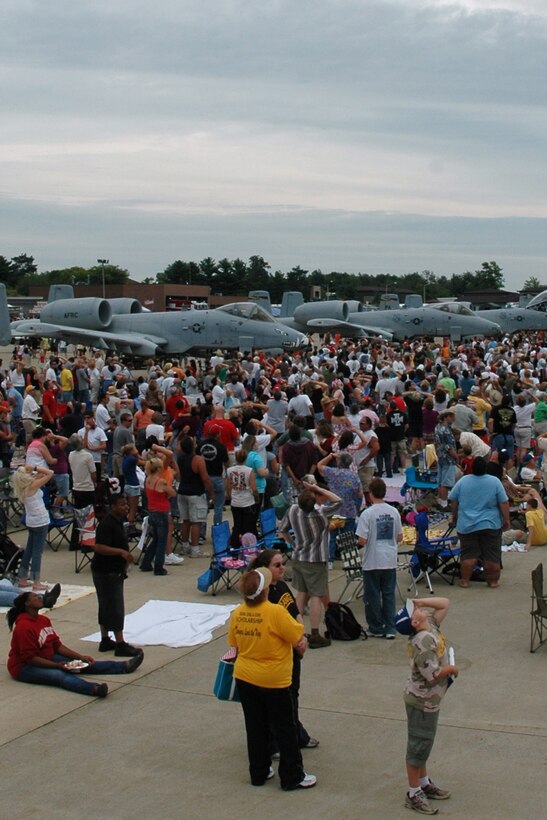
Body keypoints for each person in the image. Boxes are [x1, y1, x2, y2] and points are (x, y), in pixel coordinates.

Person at [227, 568, 316, 791]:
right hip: (274, 679)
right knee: (285, 727)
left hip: (245, 676)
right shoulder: (275, 612)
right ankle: (292, 775)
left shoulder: (238, 613)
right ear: (265, 591)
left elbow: (234, 644)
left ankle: (258, 771)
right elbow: (297, 636)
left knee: (255, 726)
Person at [7, 591, 143, 698]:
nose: (40, 597)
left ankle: (124, 666)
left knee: (80, 664)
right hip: (24, 667)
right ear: (27, 604)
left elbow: (57, 646)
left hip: (46, 657)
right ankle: (94, 689)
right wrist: (57, 665)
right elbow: (30, 658)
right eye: (35, 597)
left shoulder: (43, 619)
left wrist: (80, 657)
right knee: (60, 676)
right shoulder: (23, 627)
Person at [247, 549, 319, 752]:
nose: (282, 568)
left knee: (292, 694)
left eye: (282, 564)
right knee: (278, 700)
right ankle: (276, 741)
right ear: (265, 569)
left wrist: (301, 637)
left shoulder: (282, 586)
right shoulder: (261, 596)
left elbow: (295, 612)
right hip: (278, 654)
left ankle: (296, 733)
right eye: (276, 565)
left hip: (293, 650)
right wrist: (296, 640)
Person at [395, 597, 458, 815]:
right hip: (422, 701)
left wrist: (419, 600)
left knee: (424, 744)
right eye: (415, 611)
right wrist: (450, 669)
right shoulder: (422, 641)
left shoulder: (429, 623)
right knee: (417, 747)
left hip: (430, 700)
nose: (420, 608)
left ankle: (423, 782)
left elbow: (444, 603)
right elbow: (432, 675)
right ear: (414, 623)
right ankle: (414, 793)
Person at [279, 481, 342, 649]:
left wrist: (293, 544)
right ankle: (315, 633)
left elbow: (283, 530)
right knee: (315, 595)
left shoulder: (292, 510)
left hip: (299, 556)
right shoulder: (320, 514)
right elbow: (338, 501)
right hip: (316, 559)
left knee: (301, 593)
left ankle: (295, 630)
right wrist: (318, 488)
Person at [91, 494, 142, 656]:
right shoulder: (106, 524)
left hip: (112, 570)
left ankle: (105, 640)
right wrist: (121, 552)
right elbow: (98, 547)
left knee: (105, 605)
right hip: (106, 571)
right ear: (112, 506)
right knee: (115, 606)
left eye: (126, 504)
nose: (126, 507)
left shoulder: (118, 521)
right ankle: (120, 643)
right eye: (122, 505)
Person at [448, 456, 509, 588]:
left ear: (472, 468)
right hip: (491, 524)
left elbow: (453, 499)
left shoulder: (463, 481)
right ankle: (493, 582)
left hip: (467, 524)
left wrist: (455, 517)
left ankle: (465, 580)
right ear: (485, 468)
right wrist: (506, 519)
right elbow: (503, 502)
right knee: (492, 556)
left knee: (468, 555)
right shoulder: (494, 481)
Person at [356, 477, 402, 639]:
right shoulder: (394, 511)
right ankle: (390, 627)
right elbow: (400, 536)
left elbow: (362, 540)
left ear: (370, 495)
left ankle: (375, 627)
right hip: (389, 558)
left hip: (373, 560)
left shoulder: (367, 514)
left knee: (372, 595)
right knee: (388, 594)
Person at [13, 464, 54, 591]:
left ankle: (22, 577)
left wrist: (33, 472)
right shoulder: (32, 486)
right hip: (40, 521)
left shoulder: (23, 487)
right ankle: (36, 580)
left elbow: (42, 475)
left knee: (30, 549)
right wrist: (35, 467)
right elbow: (50, 473)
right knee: (37, 552)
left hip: (31, 521)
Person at [141, 457, 177, 575]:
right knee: (161, 541)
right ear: (159, 468)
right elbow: (172, 493)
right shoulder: (161, 481)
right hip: (161, 512)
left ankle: (146, 563)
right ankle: (158, 567)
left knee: (156, 539)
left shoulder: (148, 480)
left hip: (152, 511)